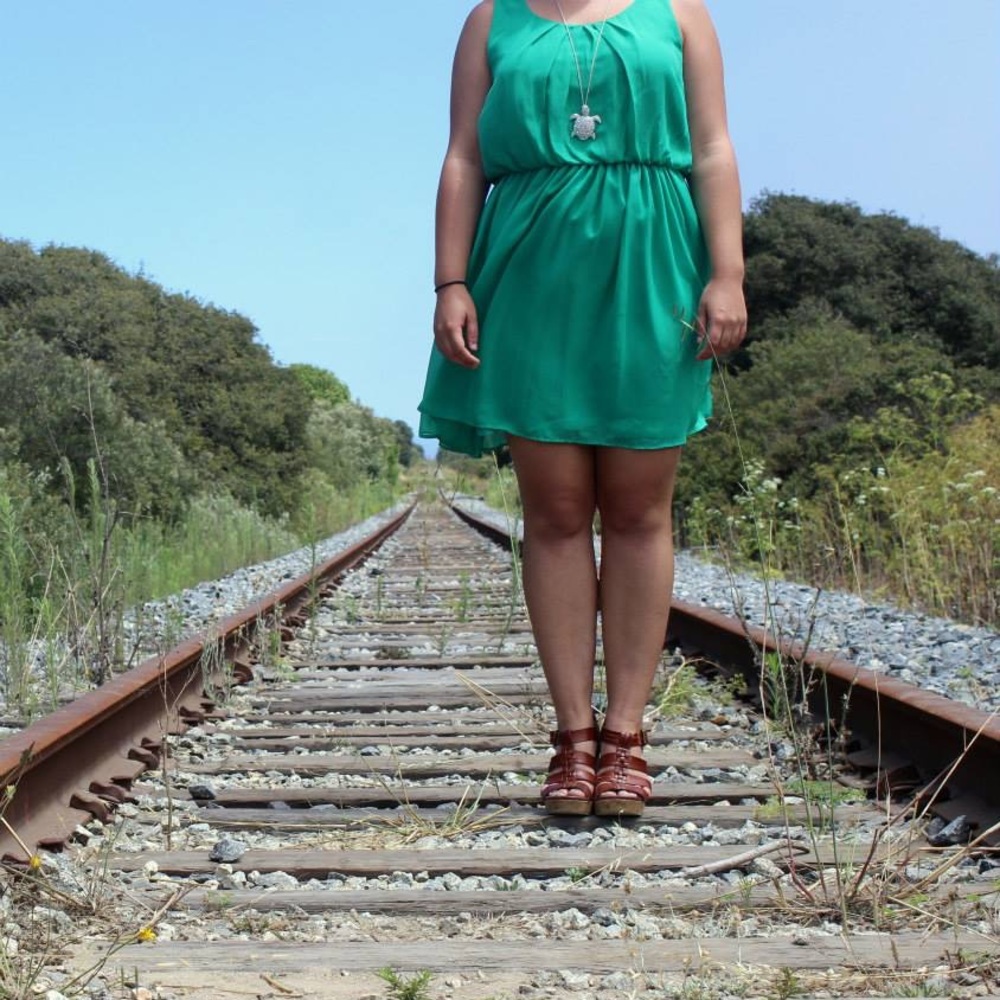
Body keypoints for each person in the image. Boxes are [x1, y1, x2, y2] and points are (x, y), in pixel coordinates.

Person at [418, 0, 747, 816]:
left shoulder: (678, 14)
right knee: (556, 509)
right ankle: (572, 740)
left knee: (639, 507)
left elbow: (711, 146)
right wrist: (450, 280)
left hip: (653, 262)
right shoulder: (490, 20)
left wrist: (728, 272)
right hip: (530, 270)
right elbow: (464, 157)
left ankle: (627, 739)